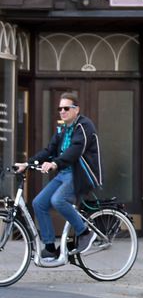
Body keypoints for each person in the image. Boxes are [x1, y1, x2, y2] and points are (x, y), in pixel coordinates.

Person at [16, 93, 103, 262]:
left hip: (80, 175)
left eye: (66, 108)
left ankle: (85, 233)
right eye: (60, 108)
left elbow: (75, 150)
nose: (62, 111)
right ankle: (49, 247)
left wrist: (55, 164)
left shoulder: (84, 126)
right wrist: (27, 164)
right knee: (38, 203)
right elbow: (49, 151)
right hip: (63, 174)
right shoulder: (62, 129)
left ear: (76, 109)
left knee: (58, 200)